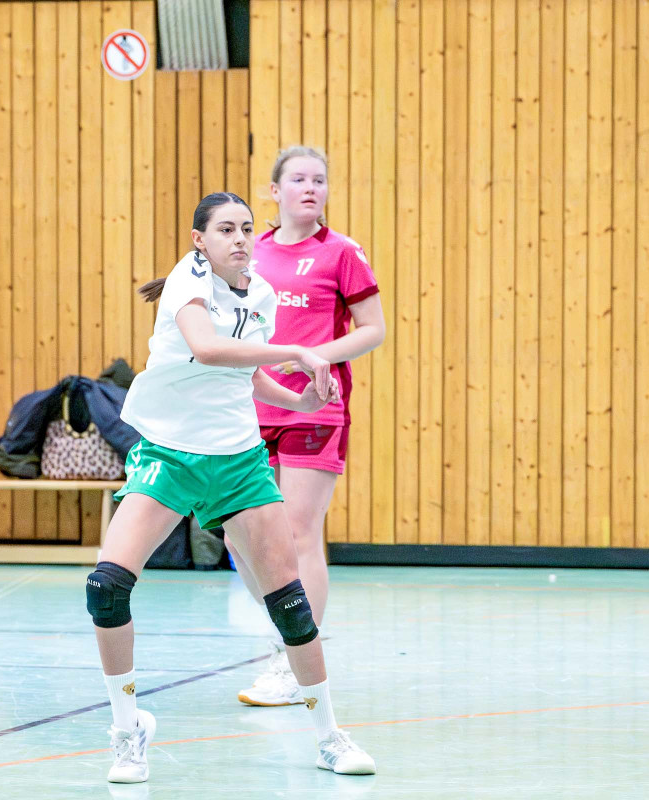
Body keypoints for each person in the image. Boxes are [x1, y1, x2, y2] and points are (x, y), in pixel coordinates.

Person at [87, 192, 376, 783]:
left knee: (289, 603)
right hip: (170, 455)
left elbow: (245, 371)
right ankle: (127, 732)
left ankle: (329, 736)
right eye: (225, 229)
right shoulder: (186, 280)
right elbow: (209, 349)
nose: (240, 238)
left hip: (238, 461)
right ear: (200, 240)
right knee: (106, 588)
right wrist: (299, 350)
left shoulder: (261, 293)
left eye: (246, 228)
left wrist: (298, 401)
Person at [229, 146, 386, 707]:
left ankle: (299, 662)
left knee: (299, 532)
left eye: (319, 180)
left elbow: (373, 329)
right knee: (238, 534)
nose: (311, 188)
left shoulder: (342, 252)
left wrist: (314, 356)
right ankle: (286, 632)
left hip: (315, 408)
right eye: (298, 179)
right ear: (275, 191)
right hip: (251, 409)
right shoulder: (254, 253)